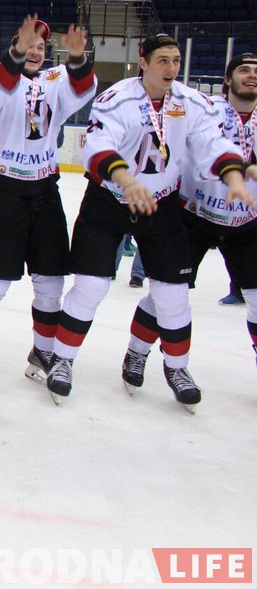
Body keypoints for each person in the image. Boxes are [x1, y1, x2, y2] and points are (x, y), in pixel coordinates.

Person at [47, 34, 254, 409]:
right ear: (142, 62)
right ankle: (62, 359)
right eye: (163, 60)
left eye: (175, 60)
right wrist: (126, 180)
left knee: (173, 294)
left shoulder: (192, 103)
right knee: (91, 286)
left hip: (161, 204)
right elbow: (96, 146)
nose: (171, 68)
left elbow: (212, 144)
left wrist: (234, 177)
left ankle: (177, 368)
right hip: (109, 202)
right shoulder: (117, 99)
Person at [0, 15, 96, 389]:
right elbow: (4, 80)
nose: (35, 50)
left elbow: (84, 86)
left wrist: (78, 58)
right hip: (4, 191)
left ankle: (43, 351)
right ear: (16, 43)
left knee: (51, 281)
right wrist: (18, 50)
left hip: (44, 190)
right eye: (28, 43)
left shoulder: (56, 81)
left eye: (41, 46)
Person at [148, 52, 257, 373]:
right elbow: (192, 150)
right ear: (227, 80)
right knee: (167, 295)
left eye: (256, 72)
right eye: (244, 70)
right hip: (193, 217)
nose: (252, 76)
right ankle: (138, 352)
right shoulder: (207, 111)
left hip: (246, 222)